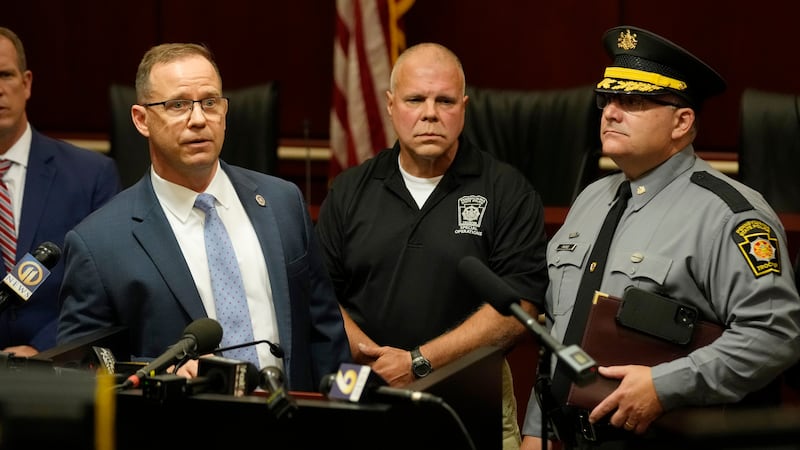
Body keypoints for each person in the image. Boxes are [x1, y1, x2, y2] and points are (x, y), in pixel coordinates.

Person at [520, 26, 800, 449]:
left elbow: (774, 335)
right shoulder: (590, 199)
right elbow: (560, 331)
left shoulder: (730, 215)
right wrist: (535, 432)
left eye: (632, 101)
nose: (610, 112)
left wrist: (662, 386)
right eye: (607, 99)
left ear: (681, 121)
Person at [57, 43, 350, 391]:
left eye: (210, 102)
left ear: (224, 111)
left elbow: (325, 332)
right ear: (141, 119)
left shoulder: (282, 202)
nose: (198, 119)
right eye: (178, 105)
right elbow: (83, 376)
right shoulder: (98, 244)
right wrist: (161, 379)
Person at [315, 42, 549, 449]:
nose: (430, 113)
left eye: (444, 100)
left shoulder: (507, 190)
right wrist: (377, 361)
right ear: (390, 105)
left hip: (473, 396)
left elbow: (520, 310)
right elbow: (320, 294)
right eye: (415, 99)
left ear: (464, 106)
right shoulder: (350, 189)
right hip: (364, 388)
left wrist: (420, 362)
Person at [0, 27, 120, 356]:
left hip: (61, 365)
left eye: (5, 75)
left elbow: (105, 290)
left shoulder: (91, 175)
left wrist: (43, 349)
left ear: (26, 83)